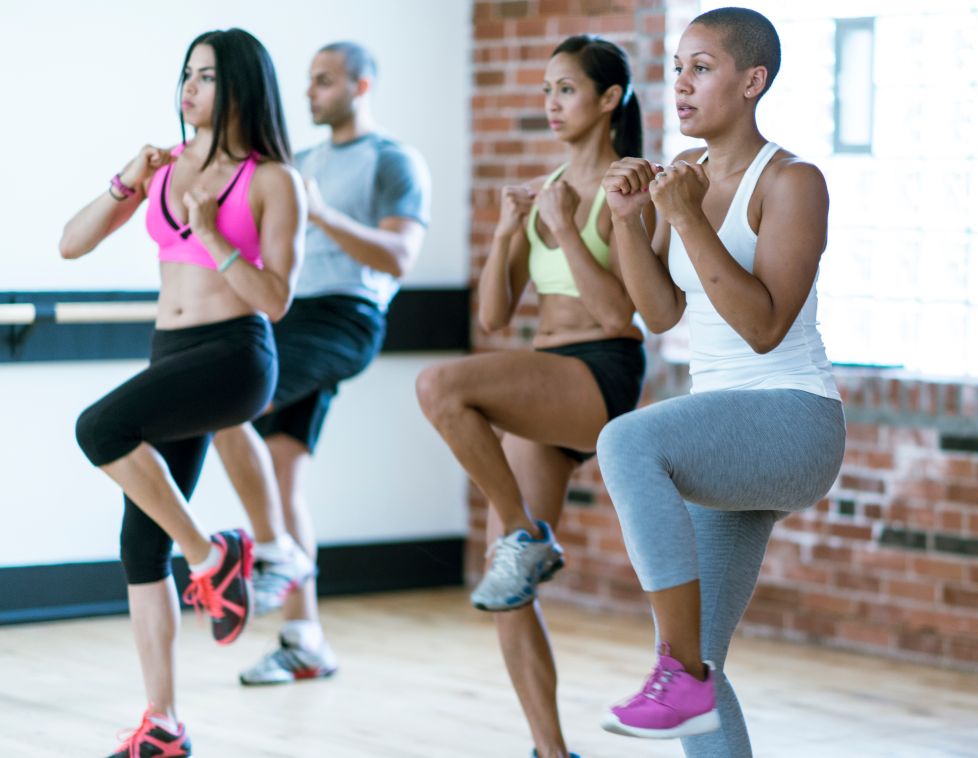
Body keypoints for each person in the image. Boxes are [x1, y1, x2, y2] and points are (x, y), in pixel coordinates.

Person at [594, 7, 846, 756]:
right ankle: (689, 674)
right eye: (676, 67)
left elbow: (764, 325)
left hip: (795, 422)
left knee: (627, 441)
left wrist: (689, 219)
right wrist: (631, 221)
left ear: (751, 81)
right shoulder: (686, 181)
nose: (680, 84)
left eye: (701, 68)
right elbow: (664, 310)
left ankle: (676, 671)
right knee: (710, 665)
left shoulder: (794, 181)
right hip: (726, 425)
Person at [60, 28, 304, 757]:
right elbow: (73, 243)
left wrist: (215, 236)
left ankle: (211, 557)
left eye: (206, 76)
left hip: (232, 356)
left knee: (97, 429)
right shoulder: (164, 168)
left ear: (241, 88)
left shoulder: (272, 180)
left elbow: (277, 300)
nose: (189, 88)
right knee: (138, 542)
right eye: (186, 74)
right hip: (172, 356)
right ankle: (163, 725)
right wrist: (126, 180)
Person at [417, 35, 646, 758]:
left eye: (567, 90)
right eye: (546, 91)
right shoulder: (547, 186)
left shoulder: (624, 187)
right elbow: (492, 316)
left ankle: (526, 535)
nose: (551, 104)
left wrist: (562, 231)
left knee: (439, 385)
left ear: (609, 100)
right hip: (543, 380)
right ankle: (552, 752)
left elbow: (620, 317)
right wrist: (510, 229)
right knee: (507, 590)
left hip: (599, 372)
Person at [212, 40, 431, 686]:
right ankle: (304, 639)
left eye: (325, 81)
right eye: (308, 81)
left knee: (227, 402)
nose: (310, 92)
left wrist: (323, 210)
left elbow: (399, 257)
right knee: (281, 476)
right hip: (286, 317)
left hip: (344, 317)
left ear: (361, 87)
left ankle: (272, 557)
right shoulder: (298, 160)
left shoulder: (393, 160)